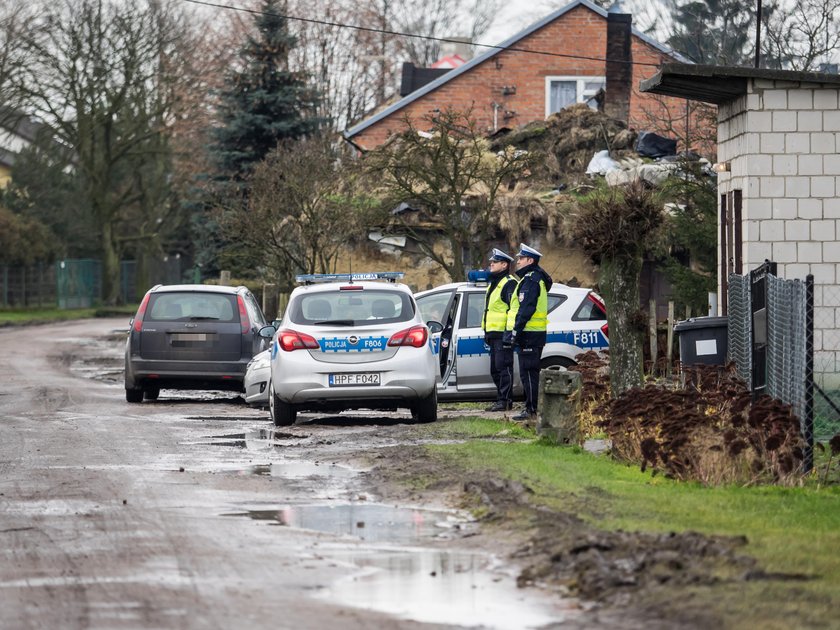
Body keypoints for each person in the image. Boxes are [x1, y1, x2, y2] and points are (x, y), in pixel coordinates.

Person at [503, 243, 553, 421]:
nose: (517, 262)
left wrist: (516, 331)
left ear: (530, 260)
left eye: (521, 259)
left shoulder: (531, 280)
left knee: (529, 373)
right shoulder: (532, 278)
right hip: (532, 334)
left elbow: (526, 309)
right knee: (528, 373)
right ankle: (531, 408)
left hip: (529, 334)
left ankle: (532, 410)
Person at [481, 248, 516, 412]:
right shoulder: (494, 283)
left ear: (504, 264)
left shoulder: (509, 283)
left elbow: (513, 310)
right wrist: (487, 332)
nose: (491, 264)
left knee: (503, 368)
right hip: (493, 334)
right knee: (495, 369)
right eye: (491, 262)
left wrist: (508, 333)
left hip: (503, 334)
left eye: (494, 262)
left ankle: (505, 400)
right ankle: (501, 399)